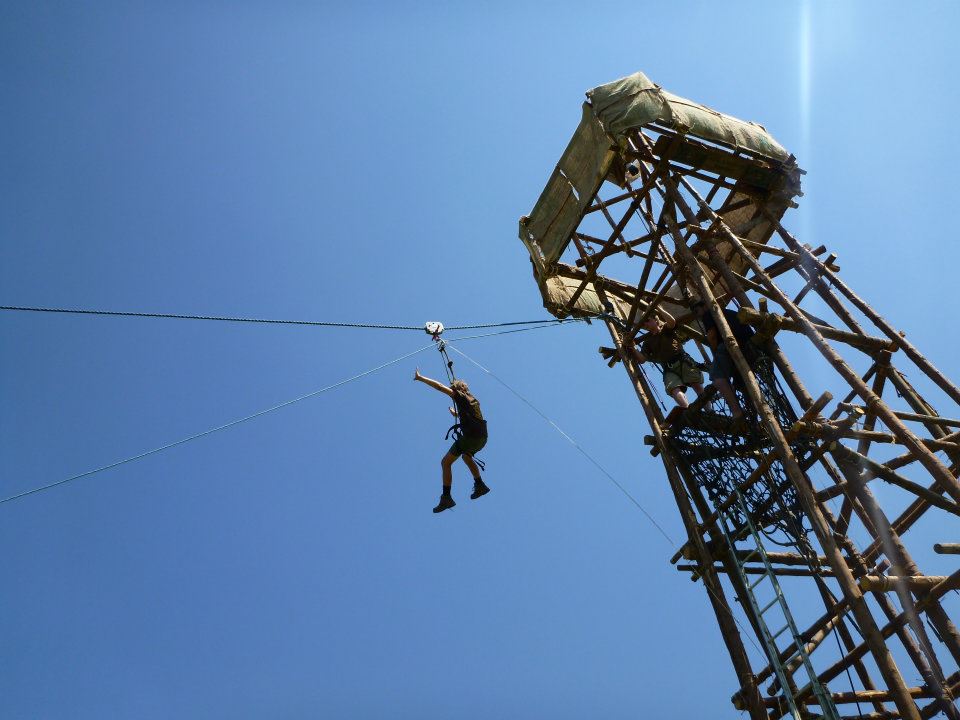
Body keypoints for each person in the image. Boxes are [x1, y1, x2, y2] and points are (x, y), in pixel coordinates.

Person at [414, 368, 490, 513]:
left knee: (445, 462)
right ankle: (480, 484)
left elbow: (439, 387)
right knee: (466, 457)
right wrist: (456, 413)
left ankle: (446, 497)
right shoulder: (473, 401)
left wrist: (421, 378)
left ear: (457, 389)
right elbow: (472, 416)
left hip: (471, 438)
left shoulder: (460, 396)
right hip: (482, 439)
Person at [692, 300, 757, 426]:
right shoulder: (724, 312)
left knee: (718, 379)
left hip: (730, 344)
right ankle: (753, 411)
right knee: (742, 383)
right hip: (748, 345)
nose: (698, 315)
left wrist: (716, 352)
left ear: (704, 306)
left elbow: (712, 336)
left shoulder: (708, 314)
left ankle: (738, 414)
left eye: (697, 311)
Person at [631, 307, 704, 409]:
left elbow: (672, 322)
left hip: (682, 360)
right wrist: (632, 347)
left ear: (656, 320)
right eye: (643, 324)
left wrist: (659, 308)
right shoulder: (647, 342)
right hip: (668, 368)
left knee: (695, 383)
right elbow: (642, 359)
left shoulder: (665, 329)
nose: (645, 325)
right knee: (673, 389)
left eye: (647, 321)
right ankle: (686, 409)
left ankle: (709, 410)